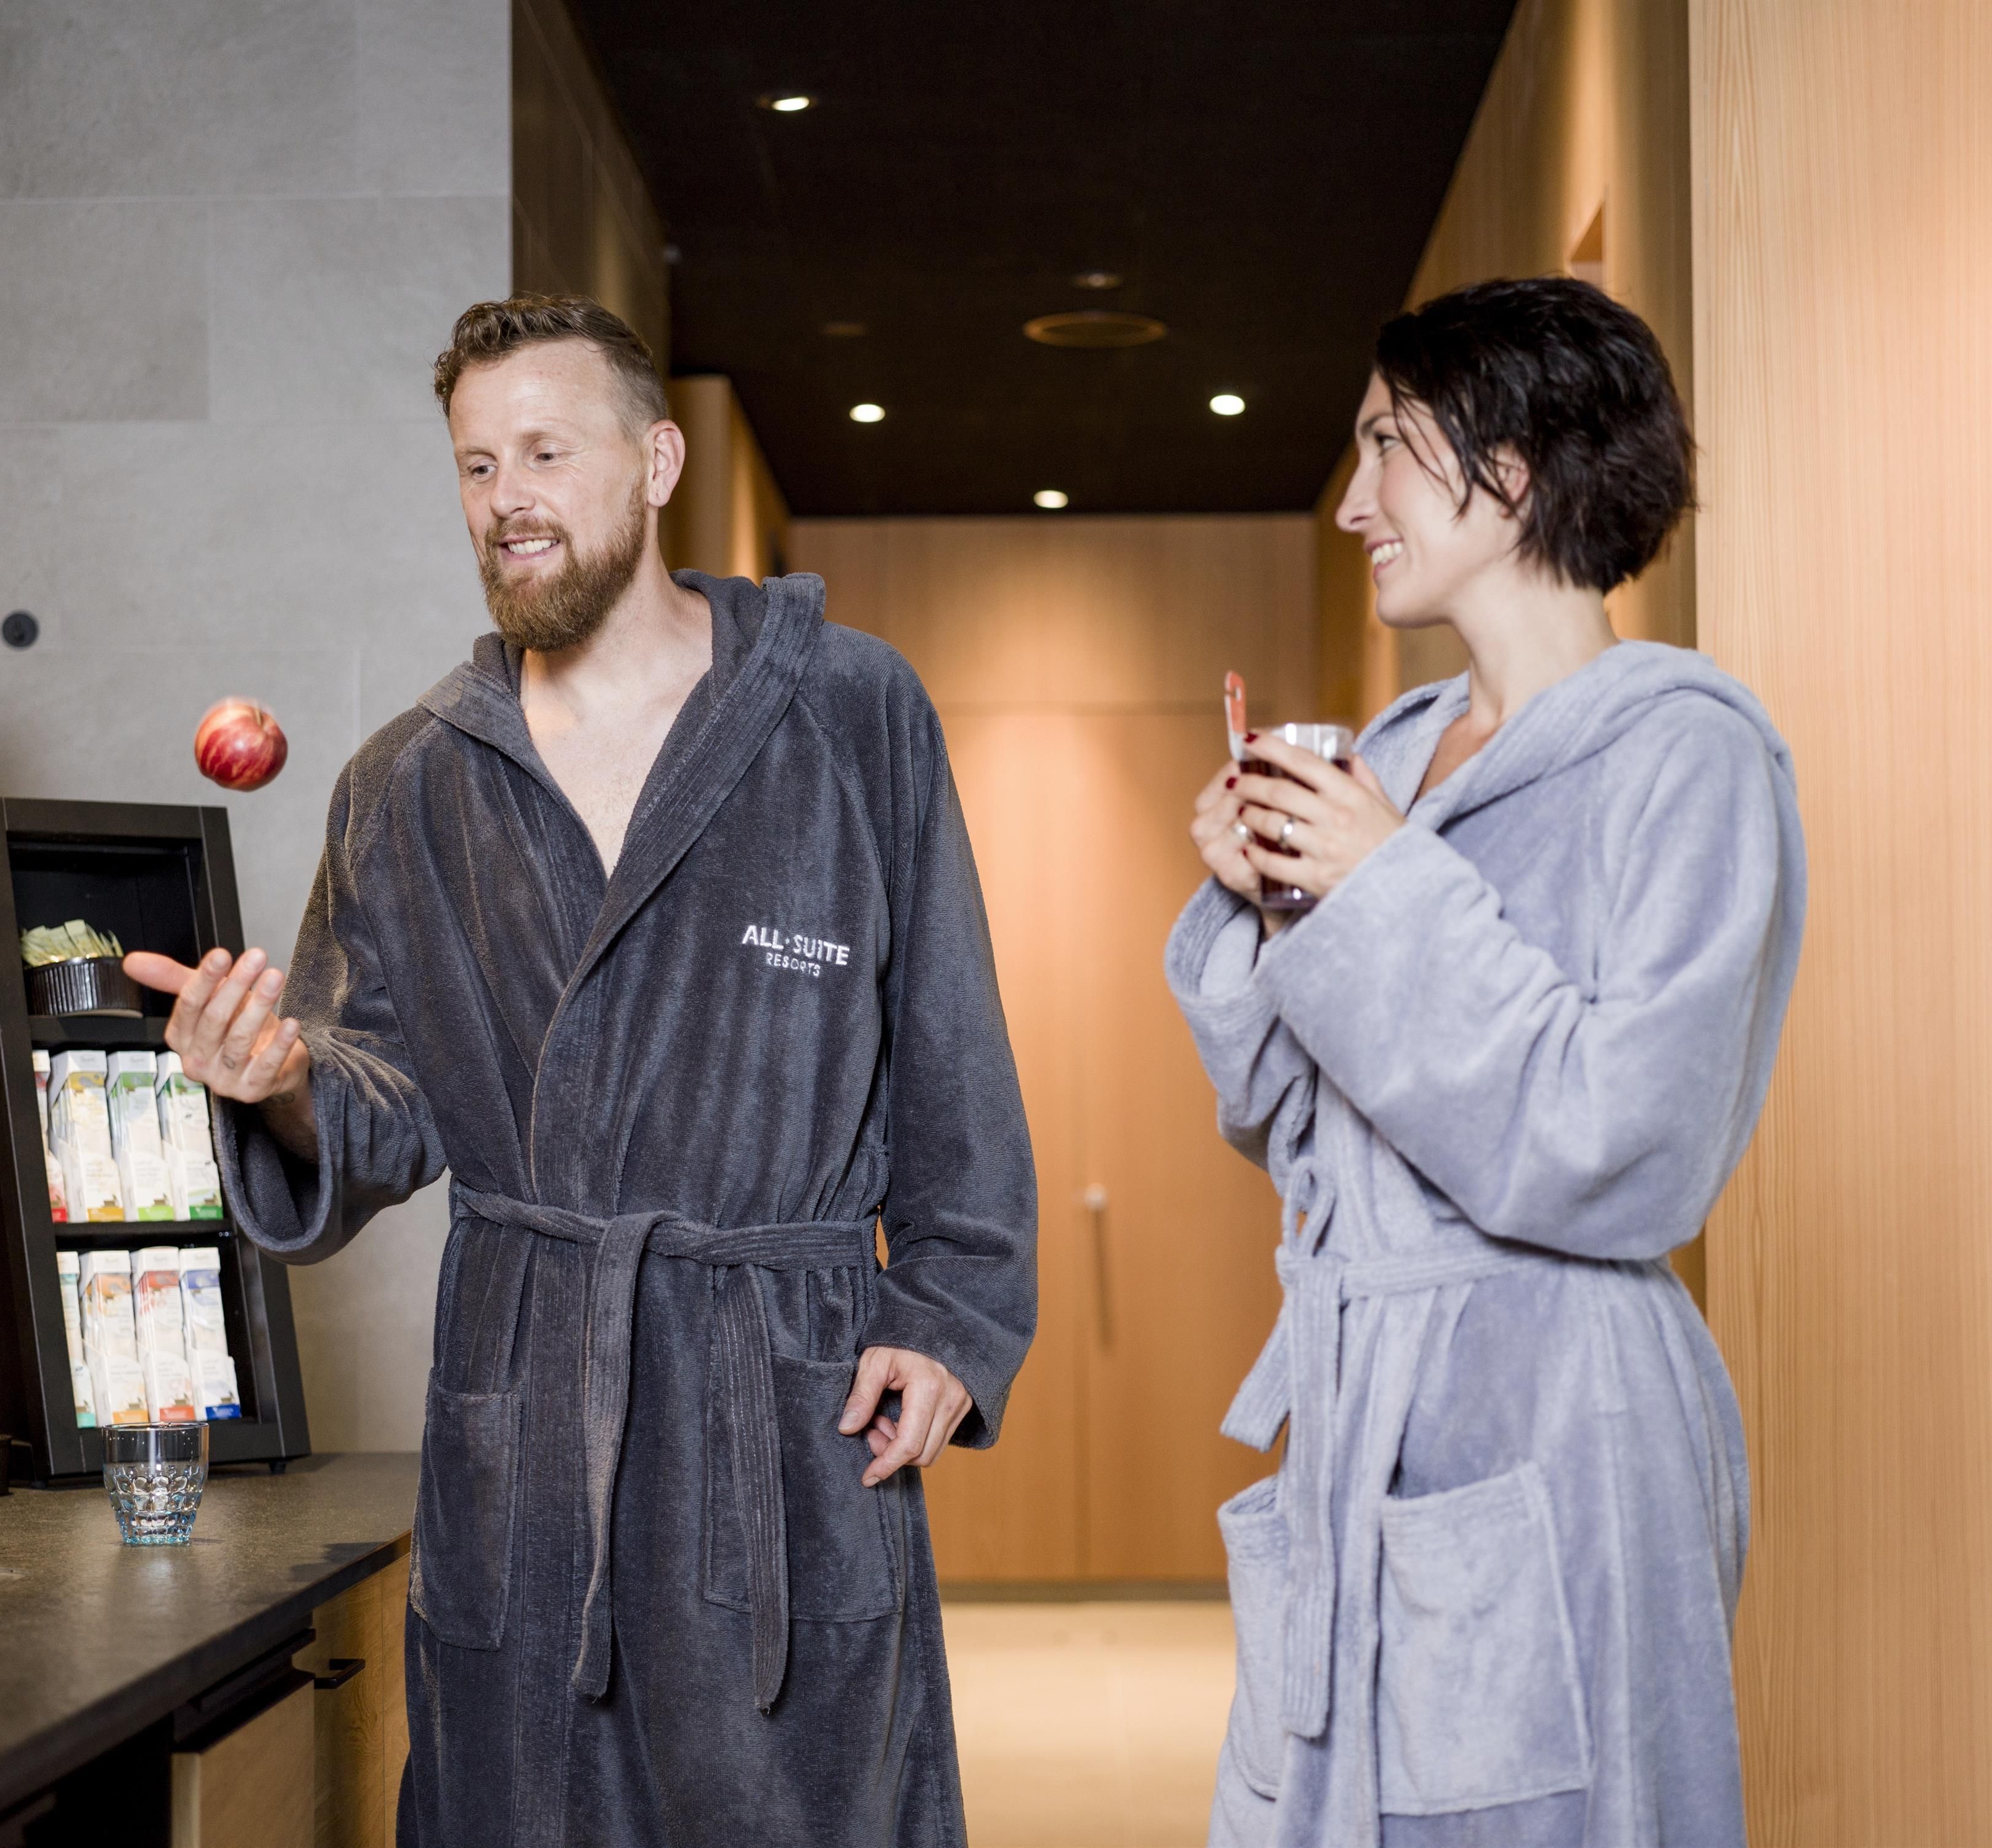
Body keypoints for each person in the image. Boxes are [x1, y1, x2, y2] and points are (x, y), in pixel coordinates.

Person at [126, 294, 1036, 1847]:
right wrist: (269, 1079)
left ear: (657, 462)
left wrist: (949, 1315)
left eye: (546, 452)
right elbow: (381, 1098)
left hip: (780, 1414)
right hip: (532, 1417)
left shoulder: (846, 711)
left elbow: (950, 1044)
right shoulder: (410, 780)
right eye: (477, 465)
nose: (508, 500)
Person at [1168, 277, 1803, 1847]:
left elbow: (1626, 1144)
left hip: (1557, 1412)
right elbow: (1294, 1126)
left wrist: (1379, 887)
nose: (1350, 502)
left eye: (1385, 445)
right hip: (1357, 1398)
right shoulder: (1390, 750)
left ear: (1508, 467)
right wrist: (1258, 908)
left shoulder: (1687, 755)